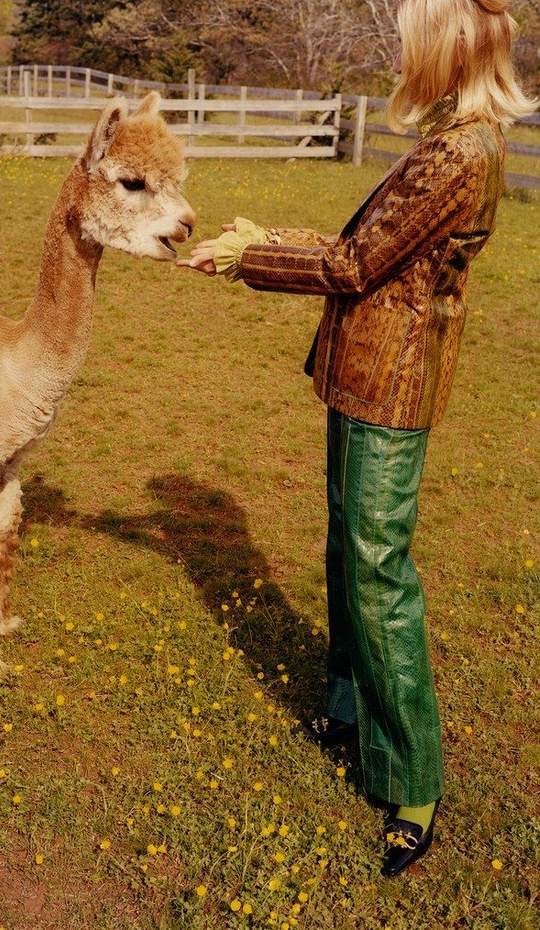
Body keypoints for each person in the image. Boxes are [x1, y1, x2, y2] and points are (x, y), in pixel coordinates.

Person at [178, 0, 535, 876]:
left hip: (392, 387)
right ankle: (345, 701)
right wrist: (270, 238)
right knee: (349, 547)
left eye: (414, 40)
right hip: (367, 373)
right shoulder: (456, 138)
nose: (403, 55)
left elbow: (353, 264)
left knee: (377, 570)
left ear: (452, 48)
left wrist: (246, 257)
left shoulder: (460, 153)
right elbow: (368, 245)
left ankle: (412, 775)